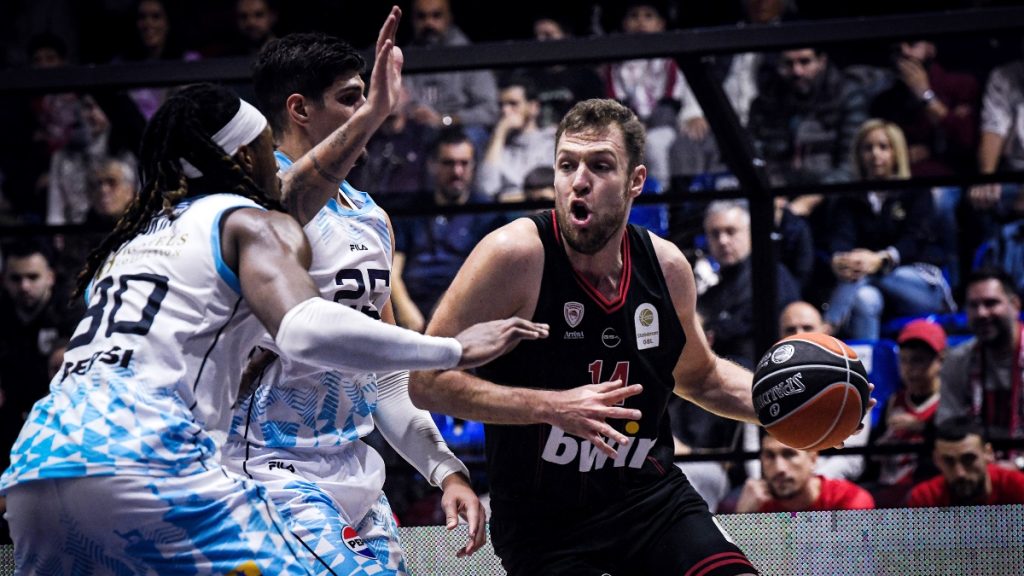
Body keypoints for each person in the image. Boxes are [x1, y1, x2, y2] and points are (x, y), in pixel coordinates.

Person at [0, 81, 547, 573]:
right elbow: (304, 326)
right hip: (151, 462)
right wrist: (449, 349)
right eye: (268, 149)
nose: (281, 165)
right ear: (244, 156)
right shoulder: (245, 221)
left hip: (39, 465)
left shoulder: (132, 243)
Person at [410, 99, 763, 575]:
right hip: (547, 527)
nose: (579, 181)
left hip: (651, 503)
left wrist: (789, 406)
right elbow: (425, 380)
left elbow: (701, 377)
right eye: (567, 165)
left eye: (600, 166)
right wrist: (552, 407)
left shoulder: (666, 267)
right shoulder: (514, 255)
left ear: (636, 180)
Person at [222, 16, 484, 575]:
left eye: (368, 98)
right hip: (268, 466)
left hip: (354, 469)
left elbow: (385, 376)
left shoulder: (371, 217)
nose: (369, 110)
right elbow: (285, 203)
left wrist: (445, 470)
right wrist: (375, 114)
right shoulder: (251, 205)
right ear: (299, 109)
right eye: (351, 99)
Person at [823, 119, 954, 340]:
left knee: (867, 272)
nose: (875, 154)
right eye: (868, 148)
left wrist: (880, 260)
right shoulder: (849, 198)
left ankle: (827, 327)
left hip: (919, 282)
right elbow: (841, 238)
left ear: (897, 152)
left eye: (883, 147)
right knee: (865, 299)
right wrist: (840, 260)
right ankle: (866, 361)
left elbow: (914, 241)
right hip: (865, 281)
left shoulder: (917, 192)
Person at [391, 127, 506, 332]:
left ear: (473, 166)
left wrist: (448, 306)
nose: (457, 172)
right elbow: (392, 270)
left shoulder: (488, 214)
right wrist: (406, 310)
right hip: (411, 307)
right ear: (432, 165)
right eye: (448, 163)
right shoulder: (411, 209)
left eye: (464, 163)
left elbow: (488, 275)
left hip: (464, 306)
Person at [0, 240, 81, 471]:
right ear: (4, 280)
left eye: (33, 277)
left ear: (50, 277)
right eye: (16, 278)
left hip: (59, 413)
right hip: (9, 410)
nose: (24, 286)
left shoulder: (72, 312)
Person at [937, 268, 1024, 445]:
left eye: (991, 303)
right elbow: (948, 428)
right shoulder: (957, 361)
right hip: (976, 459)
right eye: (973, 305)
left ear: (1015, 305)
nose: (981, 313)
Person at [865, 319, 945, 507]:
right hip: (886, 490)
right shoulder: (893, 401)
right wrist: (881, 447)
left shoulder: (948, 403)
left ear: (940, 361)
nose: (910, 369)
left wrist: (922, 428)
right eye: (904, 360)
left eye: (918, 360)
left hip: (927, 495)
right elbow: (871, 457)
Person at [735, 434, 875, 513]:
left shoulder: (849, 499)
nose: (779, 468)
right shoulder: (757, 504)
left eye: (789, 454)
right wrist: (741, 517)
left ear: (813, 459)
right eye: (769, 456)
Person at [907, 419, 1024, 507]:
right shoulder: (925, 498)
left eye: (968, 459)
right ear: (936, 460)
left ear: (988, 453)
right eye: (949, 461)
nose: (960, 473)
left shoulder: (1018, 487)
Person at [478, 75, 556, 202]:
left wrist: (507, 198)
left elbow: (551, 192)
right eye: (501, 105)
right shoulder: (495, 147)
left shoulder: (551, 143)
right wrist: (499, 134)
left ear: (533, 107)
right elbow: (486, 189)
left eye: (513, 103)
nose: (505, 110)